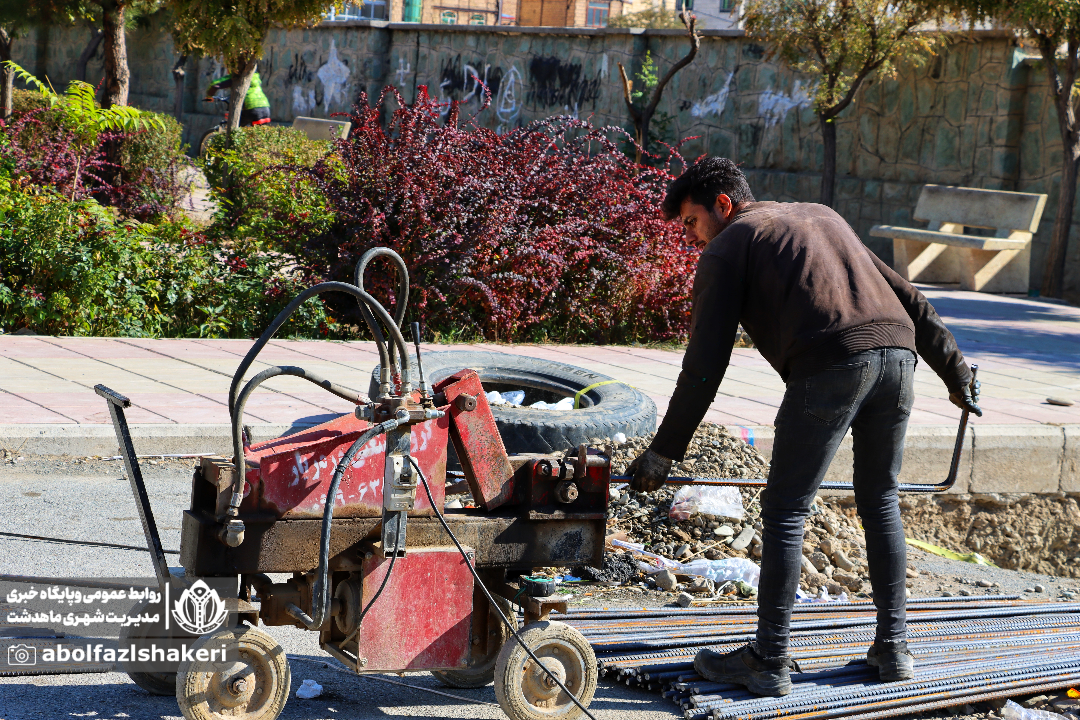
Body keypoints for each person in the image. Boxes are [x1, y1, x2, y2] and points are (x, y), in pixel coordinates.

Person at [626, 157, 981, 697]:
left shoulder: (729, 244)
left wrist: (663, 452)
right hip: (900, 359)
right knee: (880, 499)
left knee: (787, 508)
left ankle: (769, 661)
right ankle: (894, 648)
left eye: (692, 224)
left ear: (723, 205)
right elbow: (909, 297)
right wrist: (956, 373)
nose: (692, 239)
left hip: (832, 364)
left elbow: (704, 364)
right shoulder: (821, 215)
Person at [205, 68, 272, 126]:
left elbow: (214, 85)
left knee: (234, 130)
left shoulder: (237, 77)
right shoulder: (255, 76)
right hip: (265, 108)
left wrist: (209, 96)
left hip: (251, 109)